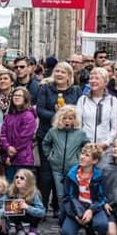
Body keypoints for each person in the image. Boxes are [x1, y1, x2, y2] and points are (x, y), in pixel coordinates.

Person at [36, 61, 81, 217]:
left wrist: (66, 115)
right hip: (47, 135)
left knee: (63, 173)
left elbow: (77, 112)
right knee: (46, 174)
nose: (59, 74)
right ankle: (41, 207)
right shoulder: (45, 89)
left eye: (63, 72)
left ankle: (58, 206)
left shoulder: (75, 91)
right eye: (57, 71)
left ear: (69, 75)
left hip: (67, 138)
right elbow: (40, 110)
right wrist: (58, 115)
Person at [41, 105, 89, 212]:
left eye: (70, 118)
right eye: (65, 118)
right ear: (60, 119)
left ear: (74, 120)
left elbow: (87, 146)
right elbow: (45, 143)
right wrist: (50, 156)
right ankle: (63, 215)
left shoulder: (80, 133)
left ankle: (73, 214)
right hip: (57, 168)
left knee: (73, 193)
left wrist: (80, 158)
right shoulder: (53, 131)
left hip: (74, 169)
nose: (67, 120)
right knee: (60, 194)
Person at [59, 143, 108, 235]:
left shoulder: (99, 176)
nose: (82, 157)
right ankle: (78, 223)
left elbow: (102, 198)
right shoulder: (71, 175)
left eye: (87, 155)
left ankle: (89, 226)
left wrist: (91, 210)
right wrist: (75, 215)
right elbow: (67, 198)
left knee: (102, 227)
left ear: (94, 160)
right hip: (76, 207)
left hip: (92, 207)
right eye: (82, 153)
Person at [76, 67, 117, 167]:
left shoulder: (113, 101)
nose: (93, 81)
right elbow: (78, 125)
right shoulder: (83, 100)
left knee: (103, 177)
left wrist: (105, 144)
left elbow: (114, 128)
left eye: (97, 78)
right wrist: (85, 143)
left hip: (105, 150)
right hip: (86, 148)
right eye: (91, 78)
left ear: (105, 82)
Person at [0, 87, 37, 181]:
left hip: (23, 159)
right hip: (8, 158)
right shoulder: (9, 115)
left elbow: (24, 138)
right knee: (10, 189)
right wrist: (7, 147)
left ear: (25, 98)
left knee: (22, 189)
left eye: (20, 95)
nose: (16, 97)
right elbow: (2, 134)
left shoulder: (29, 115)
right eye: (15, 95)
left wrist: (11, 154)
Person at [6, 169, 46, 235]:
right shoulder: (11, 191)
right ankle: (19, 226)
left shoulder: (34, 193)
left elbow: (42, 212)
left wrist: (27, 207)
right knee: (10, 206)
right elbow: (1, 194)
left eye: (22, 178)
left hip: (30, 215)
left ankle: (33, 228)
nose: (18, 179)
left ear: (29, 181)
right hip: (19, 215)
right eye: (16, 177)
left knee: (36, 212)